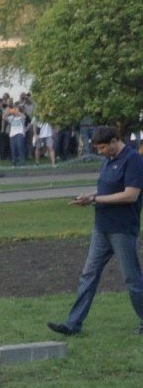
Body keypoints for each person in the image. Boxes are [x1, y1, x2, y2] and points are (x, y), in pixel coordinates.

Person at [47, 126, 143, 338]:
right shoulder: (109, 161)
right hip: (102, 228)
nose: (100, 152)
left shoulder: (133, 160)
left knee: (132, 278)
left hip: (122, 229)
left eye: (102, 147)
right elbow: (107, 189)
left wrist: (95, 199)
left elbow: (130, 195)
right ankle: (73, 324)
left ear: (114, 141)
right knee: (88, 275)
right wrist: (88, 196)